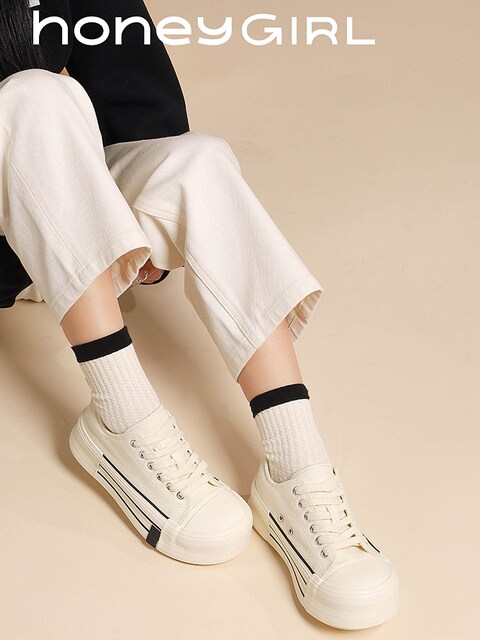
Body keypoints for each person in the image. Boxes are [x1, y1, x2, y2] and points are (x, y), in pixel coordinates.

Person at [0, 0, 399, 630]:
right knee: (32, 96)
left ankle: (296, 471)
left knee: (198, 159)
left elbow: (132, 83)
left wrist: (133, 227)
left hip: (54, 223)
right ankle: (123, 420)